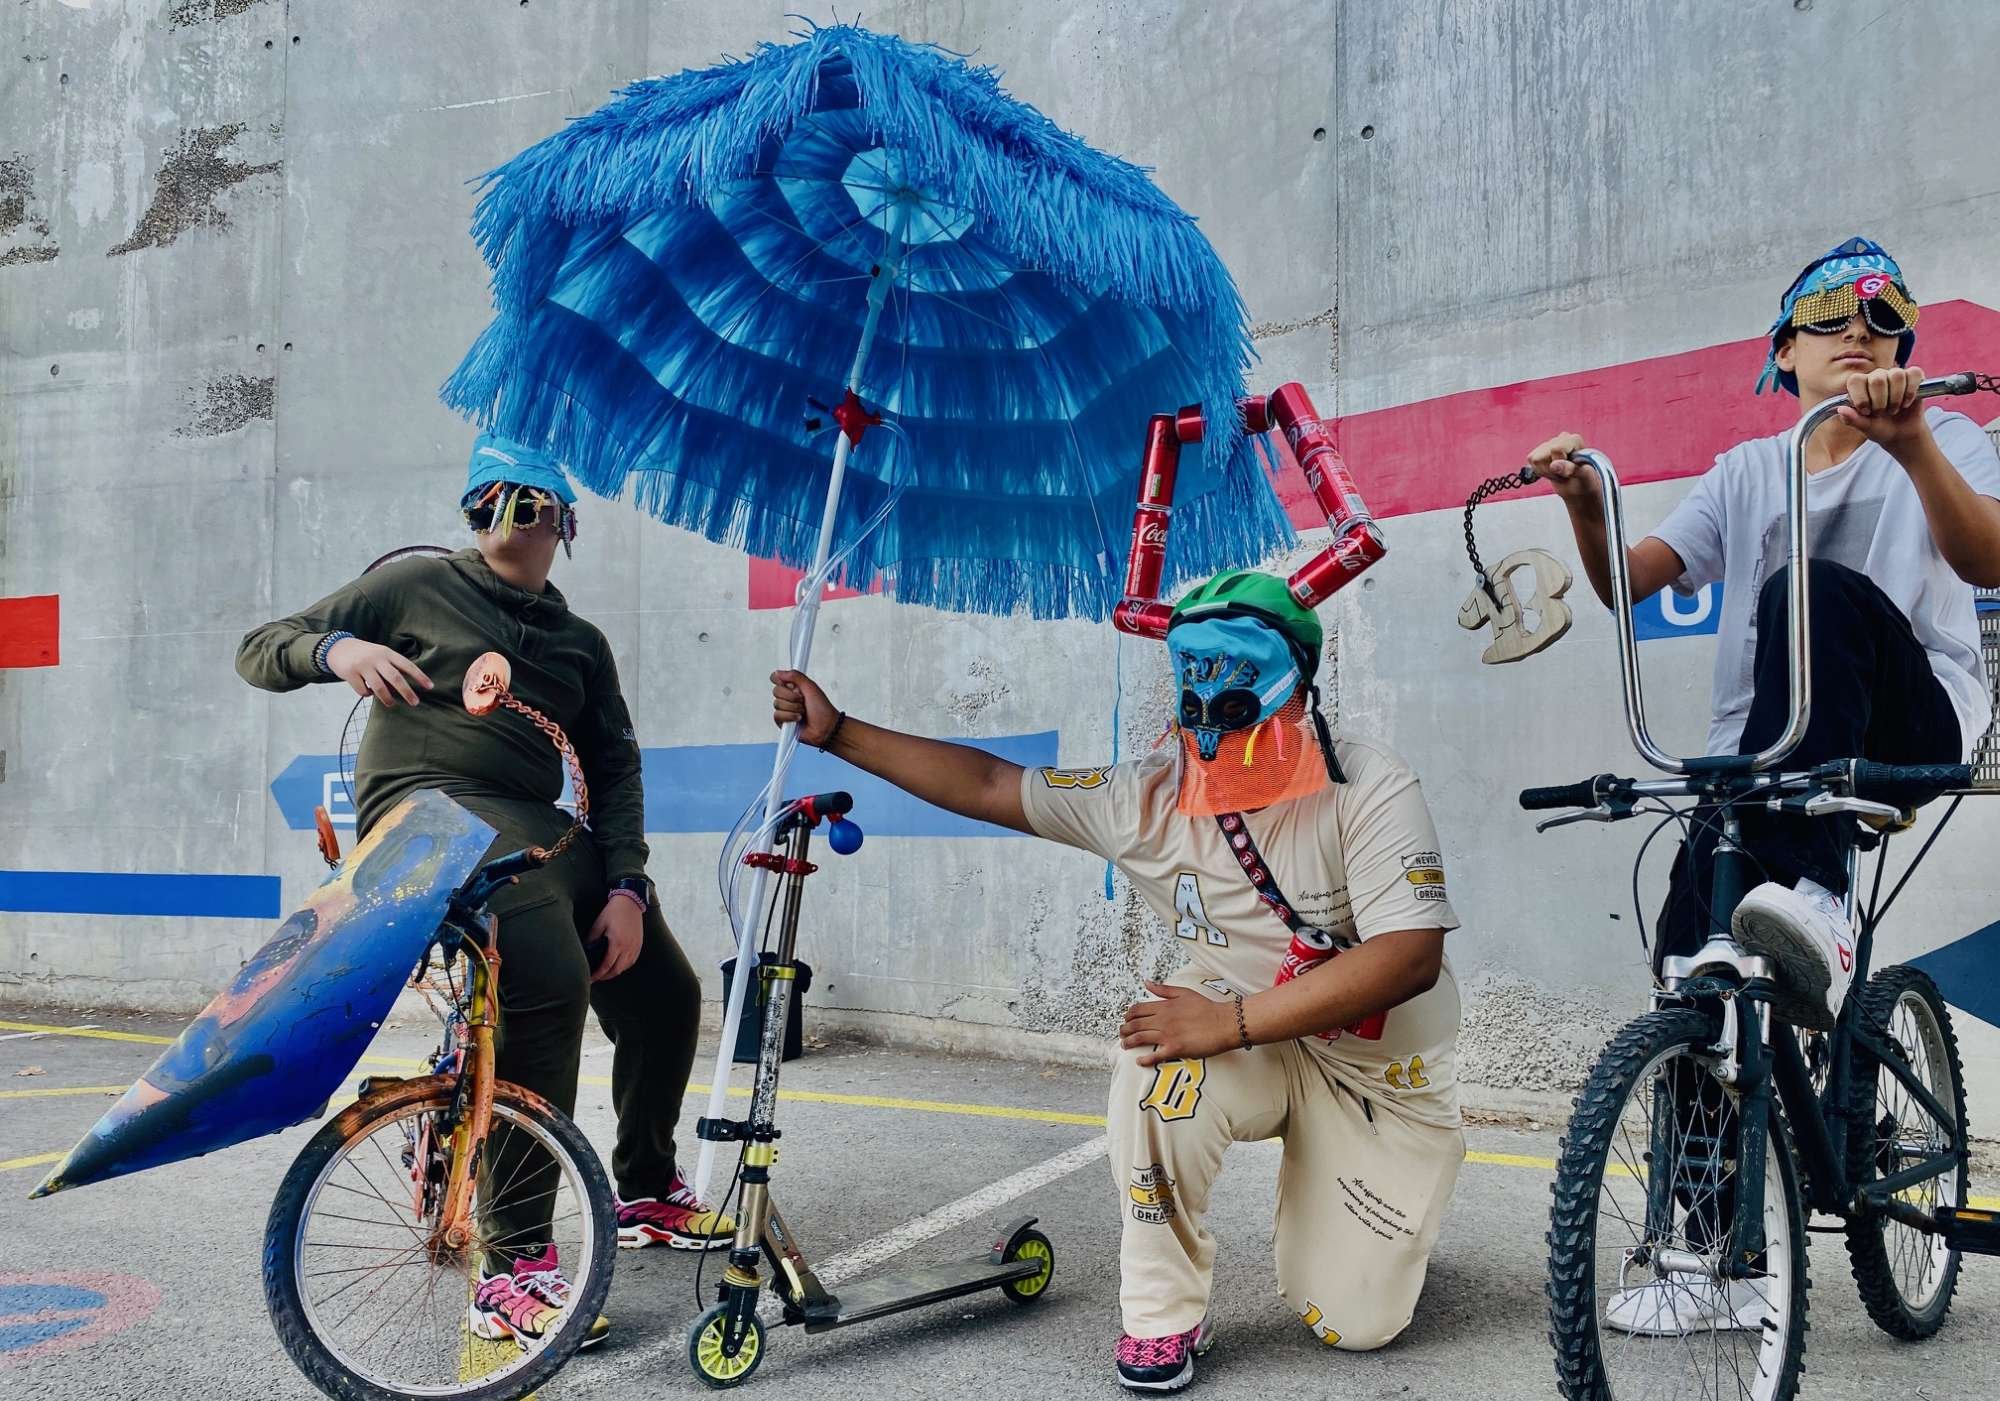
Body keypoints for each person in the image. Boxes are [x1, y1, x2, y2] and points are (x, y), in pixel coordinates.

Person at [772, 569, 1467, 1392]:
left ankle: (1376, 1211)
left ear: (1296, 697)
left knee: (1356, 1322)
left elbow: (1408, 954)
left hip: (1374, 1074)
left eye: (1239, 708)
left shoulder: (1369, 784)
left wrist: (1232, 1022)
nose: (1215, 739)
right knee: (1151, 1067)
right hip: (1244, 1032)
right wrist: (838, 731)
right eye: (1197, 708)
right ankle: (1163, 1312)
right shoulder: (1144, 796)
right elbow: (992, 784)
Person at [1529, 238, 2000, 1335]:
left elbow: (1986, 560)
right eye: (1829, 319)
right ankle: (1712, 1259)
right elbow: (1627, 583)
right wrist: (1584, 504)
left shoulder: (1947, 436)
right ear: (1783, 351)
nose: (1859, 334)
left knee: (1811, 588)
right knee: (1688, 962)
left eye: (1883, 320)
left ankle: (1821, 904)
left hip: (1905, 724)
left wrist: (1911, 443)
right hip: (1759, 758)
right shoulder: (1747, 471)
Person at [236, 434, 734, 1350]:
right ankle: (513, 1266)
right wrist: (338, 648)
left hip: (541, 825)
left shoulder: (580, 644)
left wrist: (627, 885)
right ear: (471, 512)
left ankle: (645, 1186)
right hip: (430, 817)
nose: (506, 518)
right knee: (546, 973)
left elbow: (615, 770)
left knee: (666, 991)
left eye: (529, 504)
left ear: (564, 524)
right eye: (488, 501)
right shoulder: (415, 586)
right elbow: (261, 649)